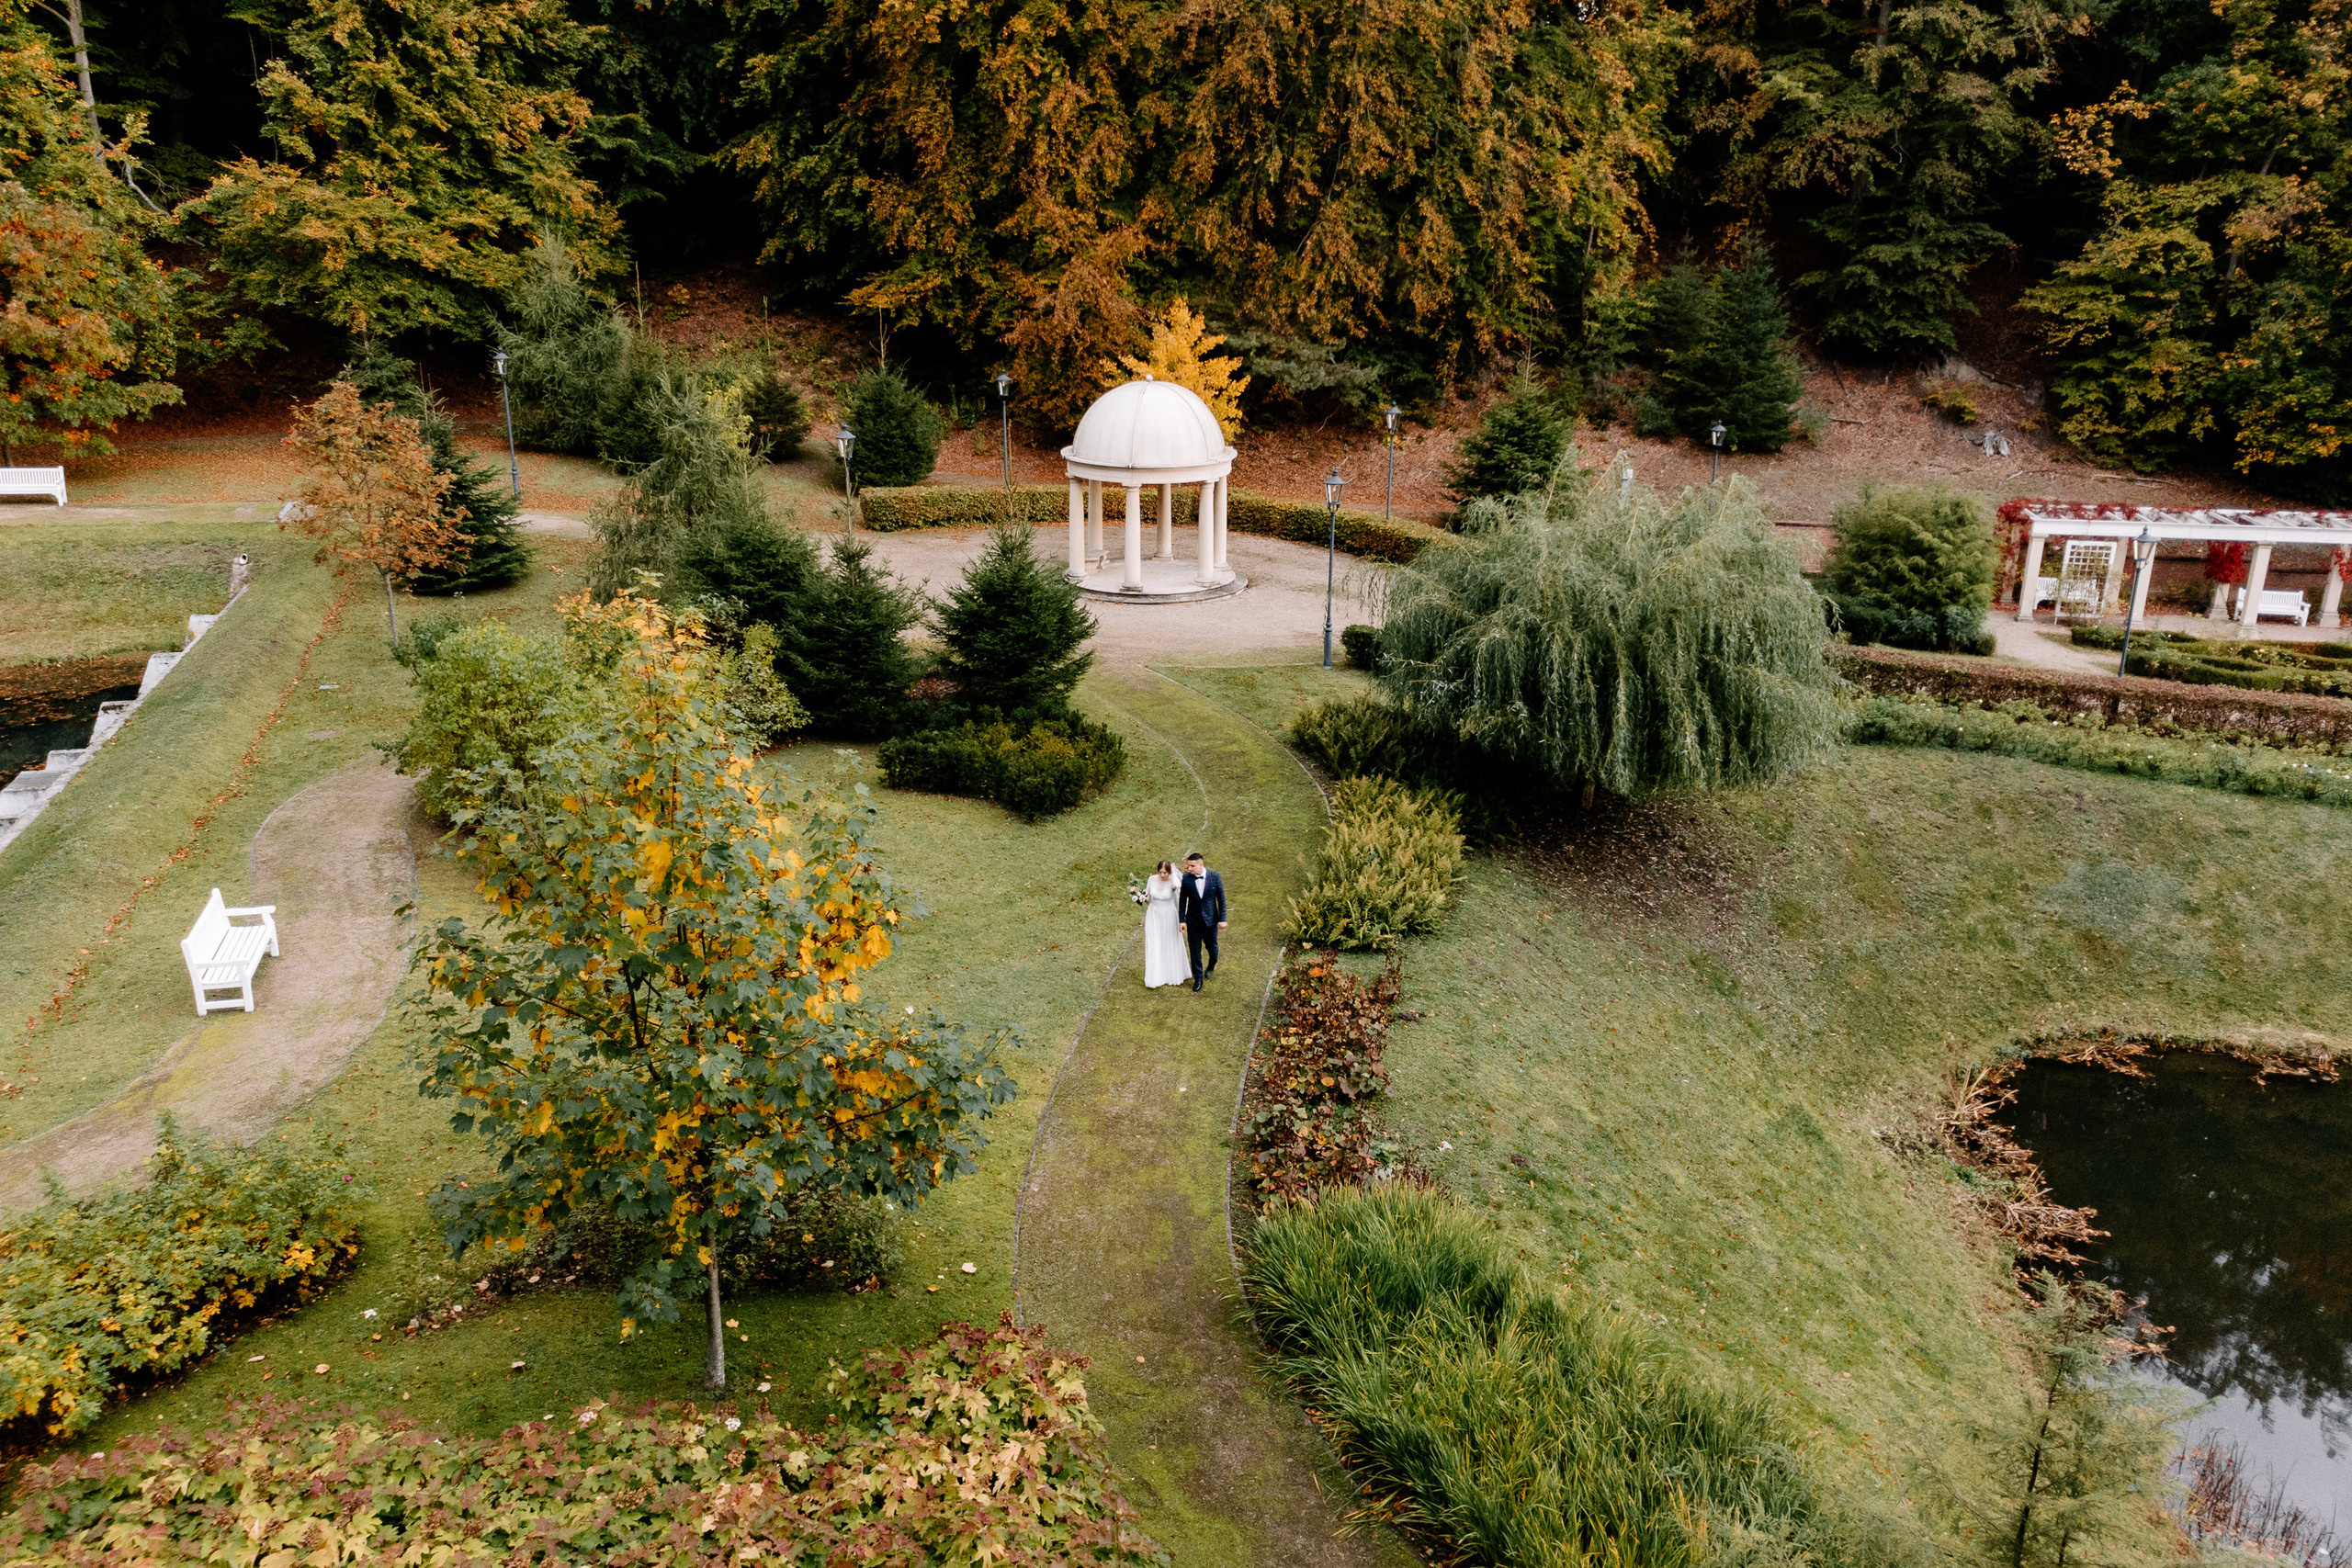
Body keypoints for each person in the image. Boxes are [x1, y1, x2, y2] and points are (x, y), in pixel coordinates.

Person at [1178, 852, 1227, 993]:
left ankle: (1211, 964)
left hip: (1210, 921)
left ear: (1201, 864)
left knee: (1212, 948)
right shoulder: (1186, 879)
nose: (1189, 869)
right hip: (1193, 921)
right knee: (1195, 950)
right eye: (1188, 866)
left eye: (1192, 866)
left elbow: (1221, 899)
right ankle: (1198, 978)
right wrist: (1182, 920)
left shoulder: (1214, 877)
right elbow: (1182, 901)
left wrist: (1222, 919)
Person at [1140, 860, 1187, 989]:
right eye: (1160, 872)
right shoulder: (1152, 879)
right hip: (1154, 914)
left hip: (1168, 914)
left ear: (1169, 872)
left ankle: (1171, 972)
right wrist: (1141, 896)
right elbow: (1148, 896)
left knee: (1169, 941)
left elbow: (1178, 886)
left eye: (1165, 873)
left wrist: (1173, 874)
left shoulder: (1173, 880)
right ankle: (1155, 975)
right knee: (1154, 941)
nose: (1162, 875)